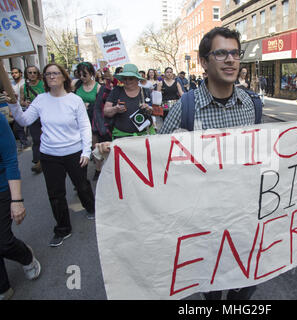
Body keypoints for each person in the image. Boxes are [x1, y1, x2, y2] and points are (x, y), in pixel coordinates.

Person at [97, 27, 262, 300]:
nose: (231, 59)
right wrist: (115, 152)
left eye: (235, 52)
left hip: (242, 215)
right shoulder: (184, 108)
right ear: (204, 62)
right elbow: (156, 160)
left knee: (245, 283)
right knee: (210, 285)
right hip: (201, 220)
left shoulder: (252, 105)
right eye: (221, 53)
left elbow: (264, 152)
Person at [7, 63, 96, 247]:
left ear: (64, 77)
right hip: (50, 155)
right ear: (44, 78)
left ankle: (91, 207)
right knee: (55, 194)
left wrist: (86, 151)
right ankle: (63, 229)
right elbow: (23, 119)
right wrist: (14, 104)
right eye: (48, 74)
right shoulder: (40, 100)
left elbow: (85, 126)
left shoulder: (75, 100)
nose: (52, 76)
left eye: (55, 73)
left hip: (75, 153)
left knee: (82, 185)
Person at [0, 110, 41, 300]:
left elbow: (9, 160)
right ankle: (3, 286)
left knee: (4, 242)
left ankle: (25, 256)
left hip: (2, 189)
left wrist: (16, 200)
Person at [103, 63, 156, 140]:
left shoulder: (146, 91)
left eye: (131, 78)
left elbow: (154, 110)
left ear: (137, 79)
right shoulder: (116, 91)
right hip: (122, 137)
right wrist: (115, 109)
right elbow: (106, 111)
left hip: (144, 136)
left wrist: (149, 109)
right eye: (125, 78)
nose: (127, 81)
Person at [20, 66, 45, 174]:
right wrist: (25, 103)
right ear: (27, 74)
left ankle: (47, 159)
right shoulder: (24, 87)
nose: (32, 74)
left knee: (46, 137)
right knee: (36, 139)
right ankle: (37, 162)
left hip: (45, 114)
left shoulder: (44, 84)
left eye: (35, 72)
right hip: (32, 116)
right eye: (30, 72)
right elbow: (21, 101)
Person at [10, 68, 29, 151]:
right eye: (12, 73)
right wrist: (12, 109)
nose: (14, 74)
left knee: (32, 126)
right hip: (17, 108)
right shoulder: (11, 84)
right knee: (18, 127)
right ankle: (24, 143)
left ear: (21, 73)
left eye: (16, 73)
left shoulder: (26, 83)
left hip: (27, 107)